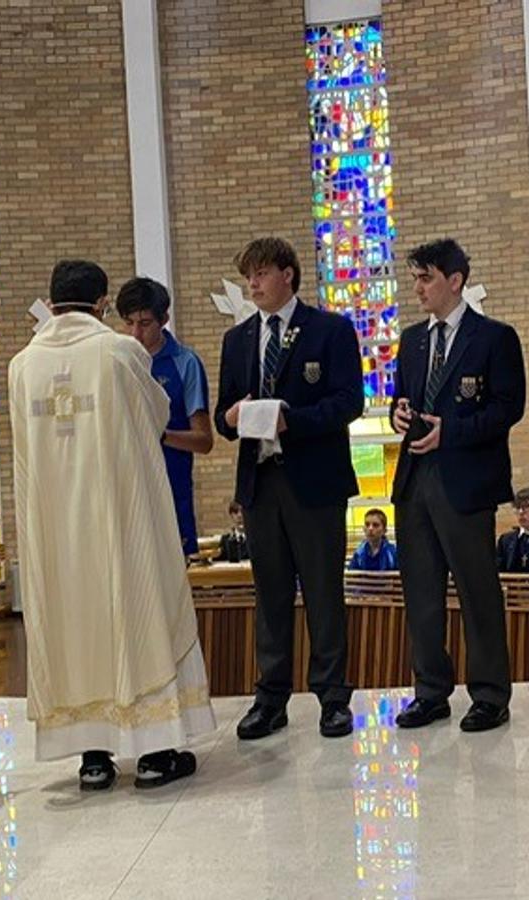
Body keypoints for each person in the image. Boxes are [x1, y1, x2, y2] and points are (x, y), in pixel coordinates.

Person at [9, 260, 214, 791]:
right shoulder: (120, 353)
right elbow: (156, 414)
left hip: (57, 534)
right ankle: (154, 754)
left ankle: (93, 759)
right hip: (120, 524)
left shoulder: (22, 366)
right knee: (138, 614)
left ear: (51, 302)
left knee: (76, 629)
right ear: (102, 304)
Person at [214, 237, 363, 740]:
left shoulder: (330, 330)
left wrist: (290, 420)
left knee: (323, 592)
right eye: (248, 277)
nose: (252, 284)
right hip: (261, 483)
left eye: (261, 274)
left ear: (288, 275)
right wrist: (231, 418)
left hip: (314, 482)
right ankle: (270, 698)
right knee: (271, 593)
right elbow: (224, 415)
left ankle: (333, 697)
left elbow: (348, 402)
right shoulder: (238, 340)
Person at [390, 238, 526, 733]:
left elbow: (508, 408)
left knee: (477, 591)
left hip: (466, 481)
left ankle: (489, 694)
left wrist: (452, 432)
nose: (418, 288)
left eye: (426, 278)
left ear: (455, 280)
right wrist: (398, 414)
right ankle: (431, 691)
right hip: (415, 481)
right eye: (415, 279)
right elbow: (401, 398)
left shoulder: (493, 338)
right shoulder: (412, 340)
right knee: (422, 594)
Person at [116, 276, 213, 557]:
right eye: (128, 323)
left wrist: (159, 434)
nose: (135, 333)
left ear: (164, 320)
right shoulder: (117, 363)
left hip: (171, 491)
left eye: (145, 323)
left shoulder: (185, 363)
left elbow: (204, 440)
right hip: (126, 488)